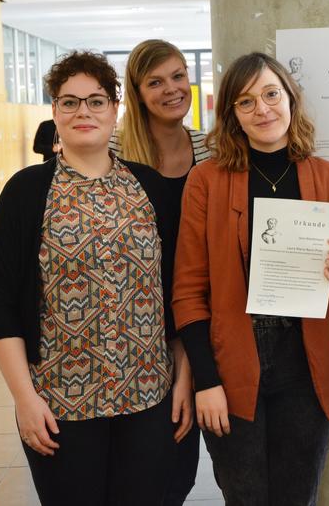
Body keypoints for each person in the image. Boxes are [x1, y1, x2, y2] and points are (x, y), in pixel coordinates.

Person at [0, 50, 186, 506]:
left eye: (95, 101)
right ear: (54, 111)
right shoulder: (26, 192)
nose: (83, 112)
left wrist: (184, 376)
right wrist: (24, 399)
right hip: (60, 406)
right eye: (69, 102)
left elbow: (179, 291)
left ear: (115, 110)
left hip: (148, 398)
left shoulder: (150, 187)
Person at [172, 52, 329, 506]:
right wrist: (206, 380)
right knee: (246, 496)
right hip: (231, 358)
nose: (263, 109)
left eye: (271, 94)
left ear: (290, 98)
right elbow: (187, 292)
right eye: (246, 102)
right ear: (232, 115)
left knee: (299, 496)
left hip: (305, 363)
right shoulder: (206, 180)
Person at [109, 38, 209, 506]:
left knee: (177, 466)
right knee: (130, 471)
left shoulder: (211, 150)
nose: (172, 89)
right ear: (137, 90)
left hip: (190, 319)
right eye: (155, 82)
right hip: (125, 331)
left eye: (178, 76)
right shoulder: (112, 150)